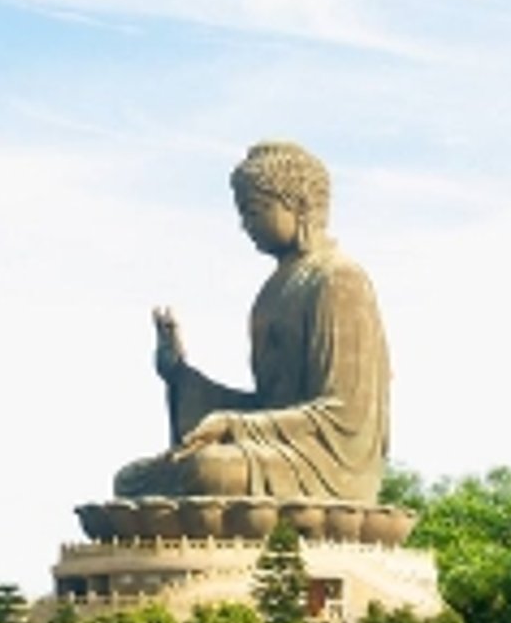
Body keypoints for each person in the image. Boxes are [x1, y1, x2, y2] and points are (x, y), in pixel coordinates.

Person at [112, 140, 392, 504]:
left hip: (328, 462)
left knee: (210, 470)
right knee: (131, 480)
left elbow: (345, 414)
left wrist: (235, 425)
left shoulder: (338, 279)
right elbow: (266, 405)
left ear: (298, 203)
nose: (245, 225)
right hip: (278, 449)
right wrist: (180, 375)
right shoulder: (273, 291)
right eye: (242, 213)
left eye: (255, 210)